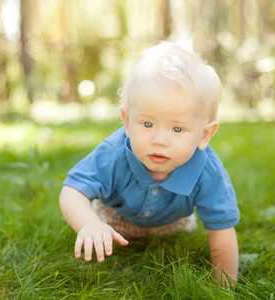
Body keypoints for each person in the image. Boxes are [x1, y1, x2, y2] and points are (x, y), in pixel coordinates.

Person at [59, 41, 240, 287]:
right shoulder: (114, 153)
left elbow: (222, 228)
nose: (159, 140)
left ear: (205, 135)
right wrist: (89, 223)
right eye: (147, 124)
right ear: (126, 120)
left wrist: (225, 286)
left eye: (177, 129)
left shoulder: (208, 170)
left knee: (175, 246)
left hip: (173, 222)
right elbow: (72, 191)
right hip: (115, 219)